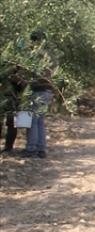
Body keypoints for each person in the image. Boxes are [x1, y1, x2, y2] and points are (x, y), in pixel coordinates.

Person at [20, 31, 57, 159]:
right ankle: (41, 149)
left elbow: (31, 74)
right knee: (40, 120)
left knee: (33, 121)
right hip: (47, 91)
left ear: (33, 41)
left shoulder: (34, 55)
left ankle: (31, 148)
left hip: (37, 90)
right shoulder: (48, 55)